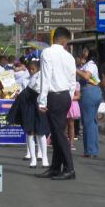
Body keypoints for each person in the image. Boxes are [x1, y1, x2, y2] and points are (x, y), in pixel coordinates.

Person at [36, 27, 76, 180]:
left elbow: (45, 77)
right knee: (57, 131)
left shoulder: (47, 53)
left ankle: (69, 168)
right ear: (64, 40)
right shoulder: (69, 57)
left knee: (58, 134)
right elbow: (73, 82)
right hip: (65, 96)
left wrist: (42, 100)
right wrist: (68, 97)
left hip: (54, 96)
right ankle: (55, 167)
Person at [7, 60, 49, 168]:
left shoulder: (44, 75)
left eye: (33, 69)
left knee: (41, 131)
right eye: (30, 69)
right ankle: (33, 159)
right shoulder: (35, 77)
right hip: (27, 101)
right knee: (30, 131)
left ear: (39, 68)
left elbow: (45, 91)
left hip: (38, 102)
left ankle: (44, 158)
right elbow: (37, 89)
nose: (31, 71)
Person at [76, 48, 102, 158]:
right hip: (93, 91)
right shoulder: (89, 64)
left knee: (88, 122)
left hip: (89, 91)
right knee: (92, 122)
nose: (83, 53)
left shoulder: (91, 64)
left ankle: (90, 151)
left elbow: (86, 76)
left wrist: (75, 69)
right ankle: (93, 149)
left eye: (86, 52)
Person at [67, 81, 81, 151]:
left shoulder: (76, 83)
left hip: (72, 105)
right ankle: (63, 142)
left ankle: (71, 143)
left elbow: (78, 96)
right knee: (63, 125)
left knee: (71, 124)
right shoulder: (63, 81)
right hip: (63, 103)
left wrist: (69, 98)